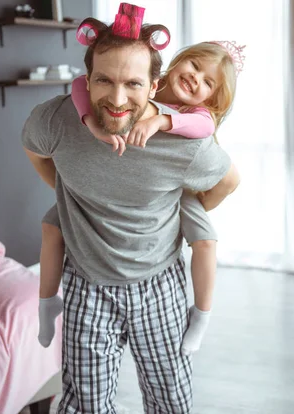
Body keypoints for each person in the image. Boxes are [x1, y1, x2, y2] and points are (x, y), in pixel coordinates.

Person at [21, 3, 240, 413]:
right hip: (87, 283)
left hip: (159, 285)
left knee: (170, 402)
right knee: (84, 406)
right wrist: (66, 187)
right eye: (104, 80)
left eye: (133, 84)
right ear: (87, 80)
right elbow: (33, 148)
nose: (118, 99)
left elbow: (228, 181)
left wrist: (187, 205)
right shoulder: (55, 120)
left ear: (154, 86)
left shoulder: (188, 142)